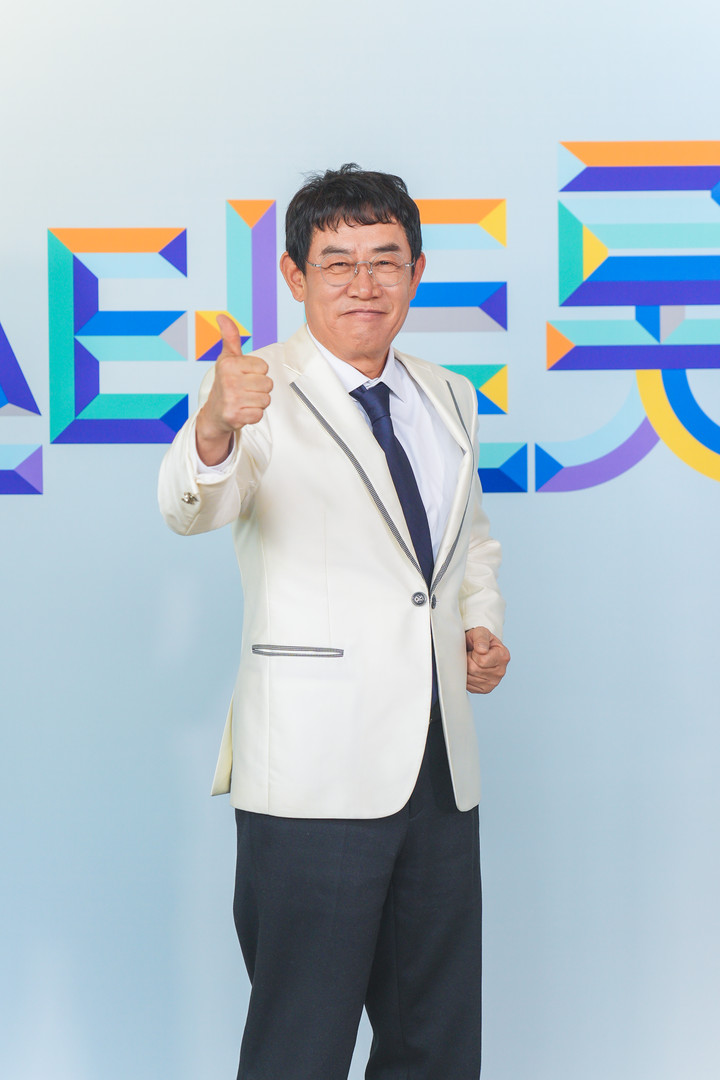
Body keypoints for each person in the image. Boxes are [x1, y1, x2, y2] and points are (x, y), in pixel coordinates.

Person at [158, 164, 510, 1080]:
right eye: (338, 262)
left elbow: (467, 540)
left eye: (385, 260)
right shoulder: (255, 389)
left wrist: (478, 622)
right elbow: (193, 505)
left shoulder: (448, 394)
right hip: (313, 768)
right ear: (294, 274)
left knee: (436, 1041)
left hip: (438, 763)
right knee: (301, 1041)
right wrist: (214, 427)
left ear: (417, 272)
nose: (364, 283)